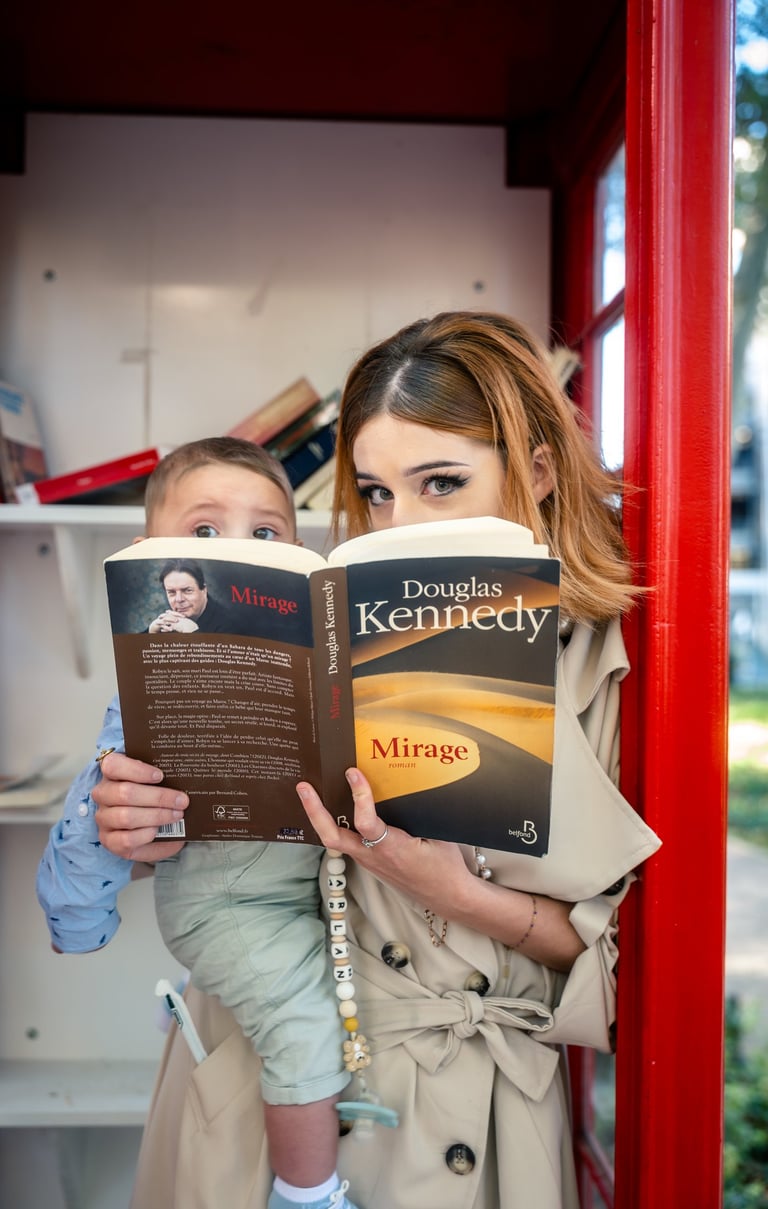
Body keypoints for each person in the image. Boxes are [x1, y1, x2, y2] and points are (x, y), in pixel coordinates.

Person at [48, 312, 662, 1209]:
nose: (398, 522)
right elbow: (218, 847)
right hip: (271, 1092)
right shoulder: (326, 619)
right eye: (376, 493)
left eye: (441, 482)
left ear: (534, 473)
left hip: (474, 1110)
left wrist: (453, 892)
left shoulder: (620, 664)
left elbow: (641, 978)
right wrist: (120, 820)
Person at [36, 435, 360, 1209]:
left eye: (267, 533)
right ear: (153, 560)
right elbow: (95, 828)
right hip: (228, 901)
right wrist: (86, 898)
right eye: (206, 532)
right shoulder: (148, 678)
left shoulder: (313, 657)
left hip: (306, 895)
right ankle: (306, 1196)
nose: (238, 550)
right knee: (303, 1023)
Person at [146, 557, 234, 633]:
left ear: (204, 590)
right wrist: (151, 633)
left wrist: (194, 633)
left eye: (187, 591)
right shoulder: (167, 621)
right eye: (171, 592)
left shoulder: (229, 625)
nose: (179, 599)